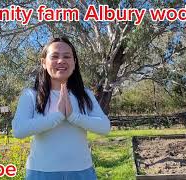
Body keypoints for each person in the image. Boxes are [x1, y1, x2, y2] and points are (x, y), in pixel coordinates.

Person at [12, 37, 111, 180]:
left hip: (82, 172)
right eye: (54, 56)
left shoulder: (85, 95)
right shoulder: (30, 95)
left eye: (67, 56)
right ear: (44, 62)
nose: (61, 61)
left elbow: (104, 127)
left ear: (74, 62)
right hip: (41, 173)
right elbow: (18, 130)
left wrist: (74, 116)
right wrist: (56, 116)